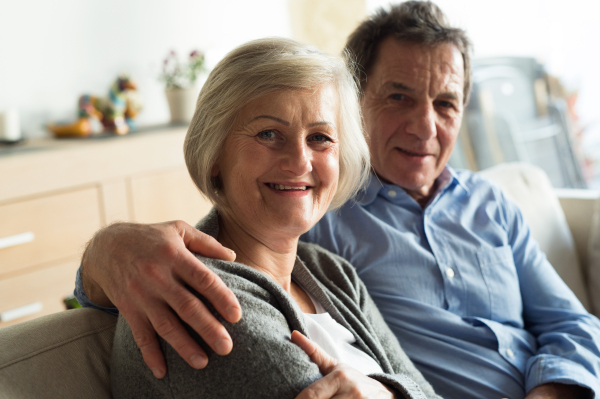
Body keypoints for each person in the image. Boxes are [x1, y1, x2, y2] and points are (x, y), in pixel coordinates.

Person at [76, 2, 600, 398]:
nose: (425, 125)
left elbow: (570, 325)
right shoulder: (314, 226)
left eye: (445, 103)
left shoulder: (328, 268)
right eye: (399, 96)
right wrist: (106, 249)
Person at [109, 37, 439, 399]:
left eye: (320, 137)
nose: (300, 162)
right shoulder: (206, 299)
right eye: (269, 134)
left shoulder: (332, 274)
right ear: (215, 152)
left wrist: (386, 394)